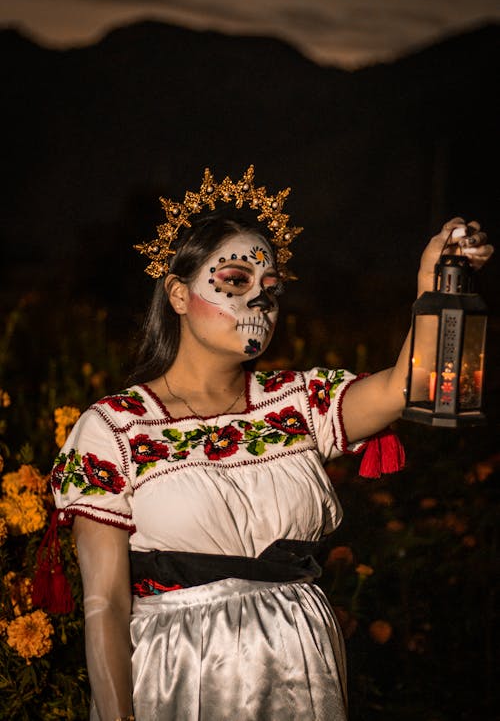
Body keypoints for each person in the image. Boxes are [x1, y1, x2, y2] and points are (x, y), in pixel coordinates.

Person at [49, 166, 493, 721]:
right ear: (179, 295)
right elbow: (106, 605)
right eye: (235, 280)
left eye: (271, 289)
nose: (259, 300)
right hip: (181, 673)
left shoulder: (296, 403)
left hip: (298, 665)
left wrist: (435, 281)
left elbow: (410, 387)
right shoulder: (116, 427)